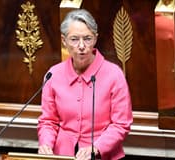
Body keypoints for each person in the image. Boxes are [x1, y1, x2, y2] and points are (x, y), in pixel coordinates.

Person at [37, 9, 133, 160]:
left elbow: (121, 124)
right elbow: (48, 121)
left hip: (104, 156)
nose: (81, 46)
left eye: (87, 38)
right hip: (63, 155)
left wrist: (97, 148)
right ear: (64, 40)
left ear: (95, 39)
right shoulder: (53, 75)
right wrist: (46, 144)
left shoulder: (114, 74)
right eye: (74, 39)